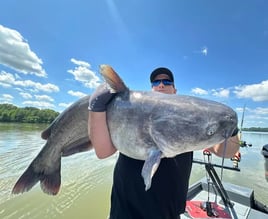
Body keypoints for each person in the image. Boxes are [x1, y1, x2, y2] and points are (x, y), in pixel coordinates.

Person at [88, 67, 240, 219]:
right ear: (151, 89)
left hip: (169, 214)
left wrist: (229, 129)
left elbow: (225, 152)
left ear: (175, 91)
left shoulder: (193, 122)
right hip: (125, 211)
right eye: (156, 82)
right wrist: (95, 108)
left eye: (167, 82)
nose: (161, 84)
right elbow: (103, 152)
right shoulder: (129, 113)